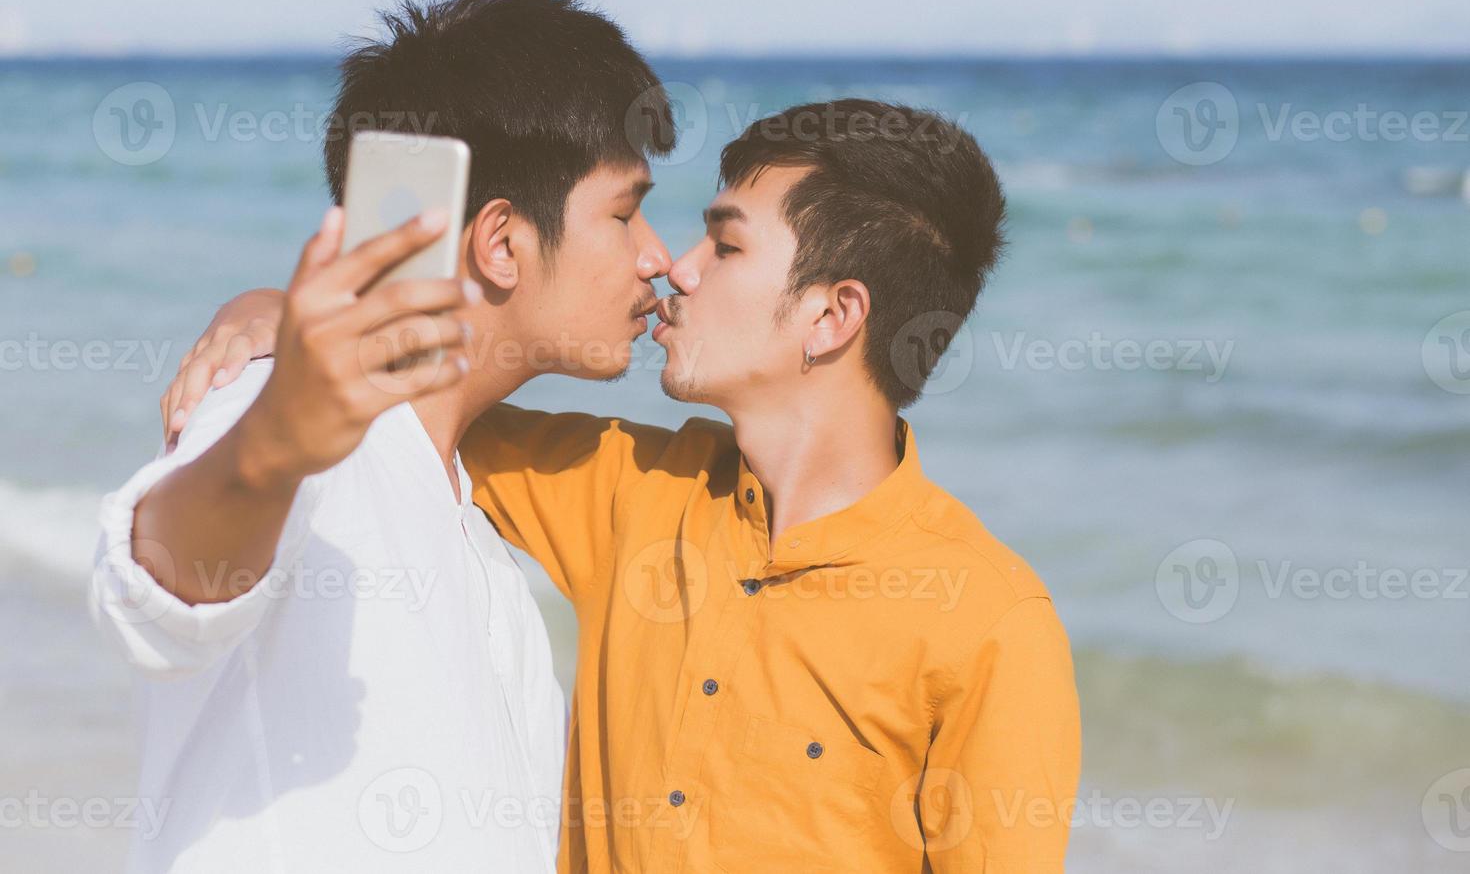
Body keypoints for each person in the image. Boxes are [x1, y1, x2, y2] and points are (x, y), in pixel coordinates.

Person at [175, 100, 1083, 871]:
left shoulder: (988, 620)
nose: (674, 268)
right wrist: (270, 312)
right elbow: (416, 393)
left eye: (724, 247)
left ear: (832, 315)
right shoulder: (632, 489)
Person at [89, 0, 678, 873]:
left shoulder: (473, 522)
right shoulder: (282, 410)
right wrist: (274, 441)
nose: (657, 257)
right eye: (626, 212)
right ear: (501, 243)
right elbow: (158, 594)